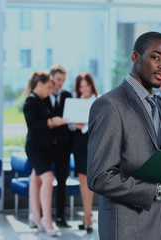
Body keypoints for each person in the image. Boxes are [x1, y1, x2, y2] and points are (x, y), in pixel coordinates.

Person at [87, 31, 161, 240]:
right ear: (135, 57)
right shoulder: (110, 105)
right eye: (156, 57)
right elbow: (100, 178)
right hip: (128, 227)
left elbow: (157, 162)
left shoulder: (160, 106)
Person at [23, 70, 68, 237]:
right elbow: (32, 125)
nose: (51, 91)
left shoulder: (40, 100)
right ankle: (46, 219)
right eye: (49, 87)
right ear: (40, 84)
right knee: (48, 178)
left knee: (36, 178)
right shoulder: (31, 101)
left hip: (44, 148)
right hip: (35, 149)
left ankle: (35, 216)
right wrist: (51, 122)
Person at [43, 64, 73, 228]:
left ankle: (60, 216)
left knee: (62, 181)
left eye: (63, 80)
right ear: (52, 78)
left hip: (63, 147)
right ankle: (42, 216)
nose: (61, 83)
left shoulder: (68, 96)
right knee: (44, 181)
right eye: (58, 79)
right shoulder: (43, 96)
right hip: (46, 147)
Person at [70, 72, 99, 234]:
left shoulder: (98, 100)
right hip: (79, 144)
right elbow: (70, 123)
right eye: (81, 87)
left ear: (91, 85)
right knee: (82, 178)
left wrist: (84, 126)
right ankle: (86, 215)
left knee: (89, 180)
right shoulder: (76, 102)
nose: (84, 89)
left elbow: (100, 122)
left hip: (92, 143)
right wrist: (75, 124)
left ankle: (88, 215)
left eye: (86, 85)